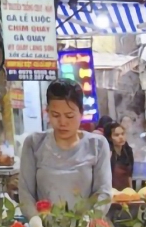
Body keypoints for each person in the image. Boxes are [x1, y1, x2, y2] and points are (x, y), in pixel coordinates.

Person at [18, 79, 111, 219]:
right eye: (55, 115)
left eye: (69, 116)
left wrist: (87, 222)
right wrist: (37, 225)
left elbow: (103, 192)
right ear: (47, 111)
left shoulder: (97, 145)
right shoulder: (34, 143)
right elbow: (26, 193)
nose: (62, 122)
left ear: (81, 113)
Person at [104, 121, 134, 191]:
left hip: (126, 191)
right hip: (112, 191)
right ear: (110, 138)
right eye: (116, 135)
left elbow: (129, 175)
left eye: (122, 134)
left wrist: (132, 191)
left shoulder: (128, 151)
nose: (121, 137)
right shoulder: (107, 153)